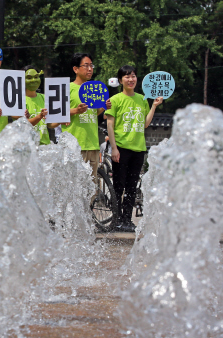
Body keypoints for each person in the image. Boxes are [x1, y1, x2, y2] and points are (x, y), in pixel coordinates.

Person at [104, 65, 163, 232]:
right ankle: (115, 221)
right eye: (127, 76)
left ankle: (127, 220)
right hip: (121, 148)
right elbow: (110, 124)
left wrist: (153, 106)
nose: (131, 79)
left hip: (138, 149)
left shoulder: (142, 99)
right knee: (119, 185)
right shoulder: (114, 100)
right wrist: (114, 148)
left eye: (134, 76)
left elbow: (145, 124)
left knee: (132, 186)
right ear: (121, 80)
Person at [61, 53, 111, 180]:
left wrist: (104, 107)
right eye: (86, 66)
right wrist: (75, 111)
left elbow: (93, 113)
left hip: (93, 144)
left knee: (91, 187)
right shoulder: (67, 88)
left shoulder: (94, 89)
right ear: (75, 69)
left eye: (91, 66)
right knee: (75, 186)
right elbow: (56, 113)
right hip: (75, 145)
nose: (90, 69)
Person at [22, 65, 60, 145]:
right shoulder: (19, 100)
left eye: (36, 77)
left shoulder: (44, 98)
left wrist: (61, 120)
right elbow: (23, 124)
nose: (33, 80)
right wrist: (40, 116)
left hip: (45, 146)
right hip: (28, 147)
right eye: (29, 78)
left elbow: (50, 125)